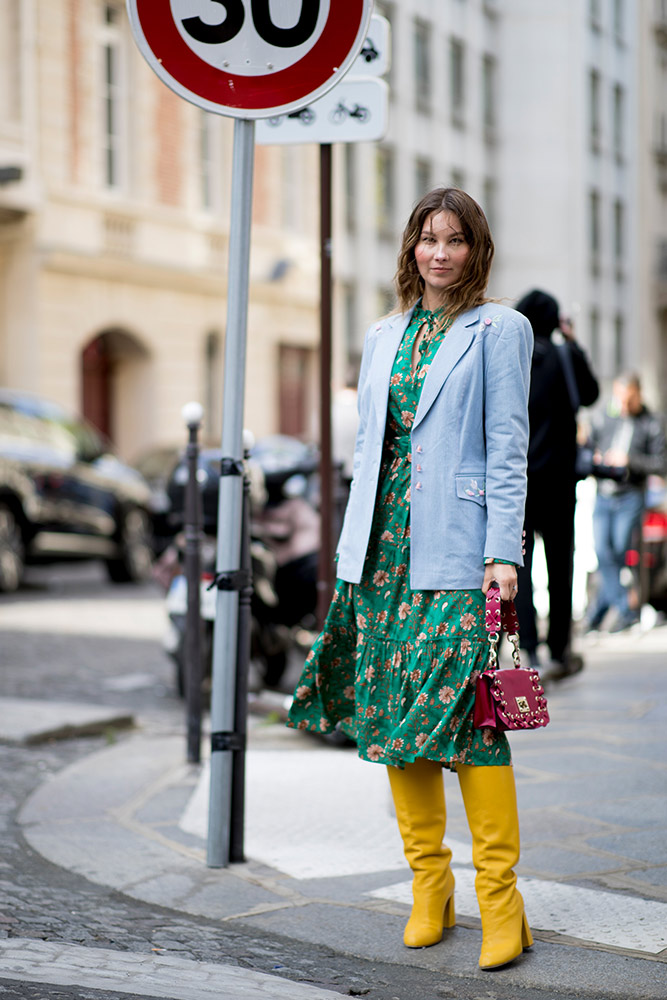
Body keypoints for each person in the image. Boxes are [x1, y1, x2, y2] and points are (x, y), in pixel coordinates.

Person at [287, 188, 534, 970]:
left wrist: (503, 553)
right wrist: (348, 553)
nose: (439, 253)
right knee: (397, 724)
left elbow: (506, 445)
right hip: (381, 556)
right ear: (410, 248)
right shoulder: (383, 333)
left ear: (476, 250)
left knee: (473, 719)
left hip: (456, 553)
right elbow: (370, 454)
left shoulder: (502, 329)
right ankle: (429, 889)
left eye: (454, 240)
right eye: (427, 239)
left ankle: (501, 903)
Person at [513, 290, 599, 676]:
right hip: (561, 482)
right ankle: (560, 650)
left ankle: (529, 649)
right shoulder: (565, 356)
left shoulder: (513, 358)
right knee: (561, 563)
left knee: (522, 567)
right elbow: (591, 394)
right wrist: (573, 341)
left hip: (521, 483)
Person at [584, 374, 666, 632]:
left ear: (638, 395)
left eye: (628, 399)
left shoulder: (651, 423)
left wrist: (629, 460)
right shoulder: (605, 417)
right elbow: (589, 443)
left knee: (618, 551)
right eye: (620, 398)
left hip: (631, 494)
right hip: (603, 492)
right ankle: (623, 608)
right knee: (602, 552)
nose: (623, 405)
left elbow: (660, 464)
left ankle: (599, 615)